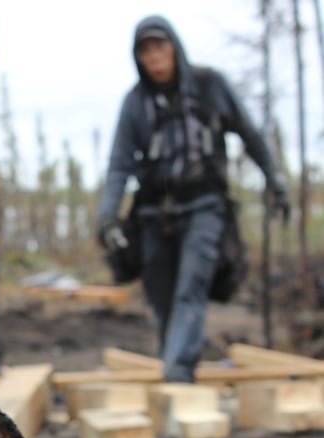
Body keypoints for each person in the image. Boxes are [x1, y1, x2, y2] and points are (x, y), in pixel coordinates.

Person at [97, 15, 290, 383]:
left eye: (160, 47)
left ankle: (178, 377)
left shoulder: (210, 85)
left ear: (174, 47)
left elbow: (249, 133)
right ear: (137, 57)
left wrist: (276, 178)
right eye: (145, 51)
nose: (154, 57)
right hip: (154, 213)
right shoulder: (135, 103)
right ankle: (178, 363)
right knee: (162, 297)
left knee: (191, 287)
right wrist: (108, 218)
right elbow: (119, 165)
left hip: (205, 206)